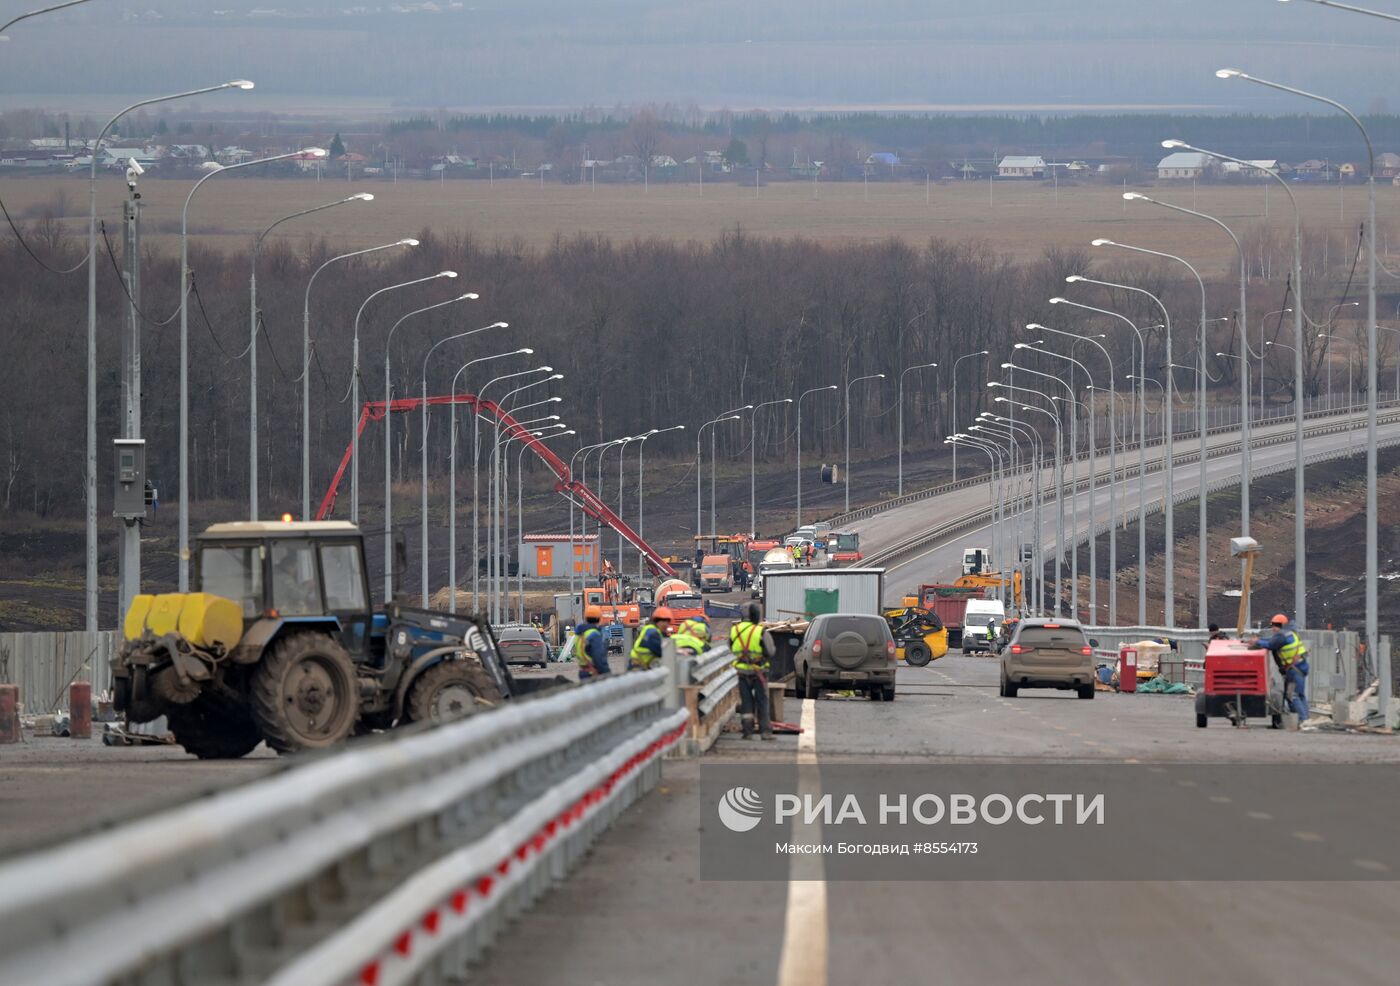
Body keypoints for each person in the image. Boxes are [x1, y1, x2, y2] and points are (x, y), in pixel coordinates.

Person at [729, 602, 775, 740]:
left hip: (742, 672)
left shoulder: (735, 630)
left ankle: (747, 731)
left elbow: (731, 648)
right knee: (762, 700)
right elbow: (770, 651)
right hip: (758, 671)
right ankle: (765, 731)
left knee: (746, 701)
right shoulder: (760, 631)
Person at [1253, 613, 1309, 720]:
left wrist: (1257, 642)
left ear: (1281, 626)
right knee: (1300, 695)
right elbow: (1272, 639)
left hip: (1295, 669)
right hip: (1300, 666)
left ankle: (1303, 720)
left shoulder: (1283, 636)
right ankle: (1304, 719)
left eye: (1276, 626)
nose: (1273, 628)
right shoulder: (1290, 633)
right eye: (1273, 626)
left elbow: (1271, 645)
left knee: (1293, 695)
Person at [629, 606, 673, 670]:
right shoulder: (652, 633)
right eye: (665, 622)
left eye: (668, 622)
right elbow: (663, 651)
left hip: (642, 665)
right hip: (638, 667)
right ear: (658, 622)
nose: (667, 625)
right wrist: (677, 651)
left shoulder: (653, 629)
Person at [573, 605, 609, 680]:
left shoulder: (579, 634)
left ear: (585, 618)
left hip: (583, 672)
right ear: (599, 618)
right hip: (593, 674)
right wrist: (607, 673)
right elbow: (598, 658)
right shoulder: (594, 634)